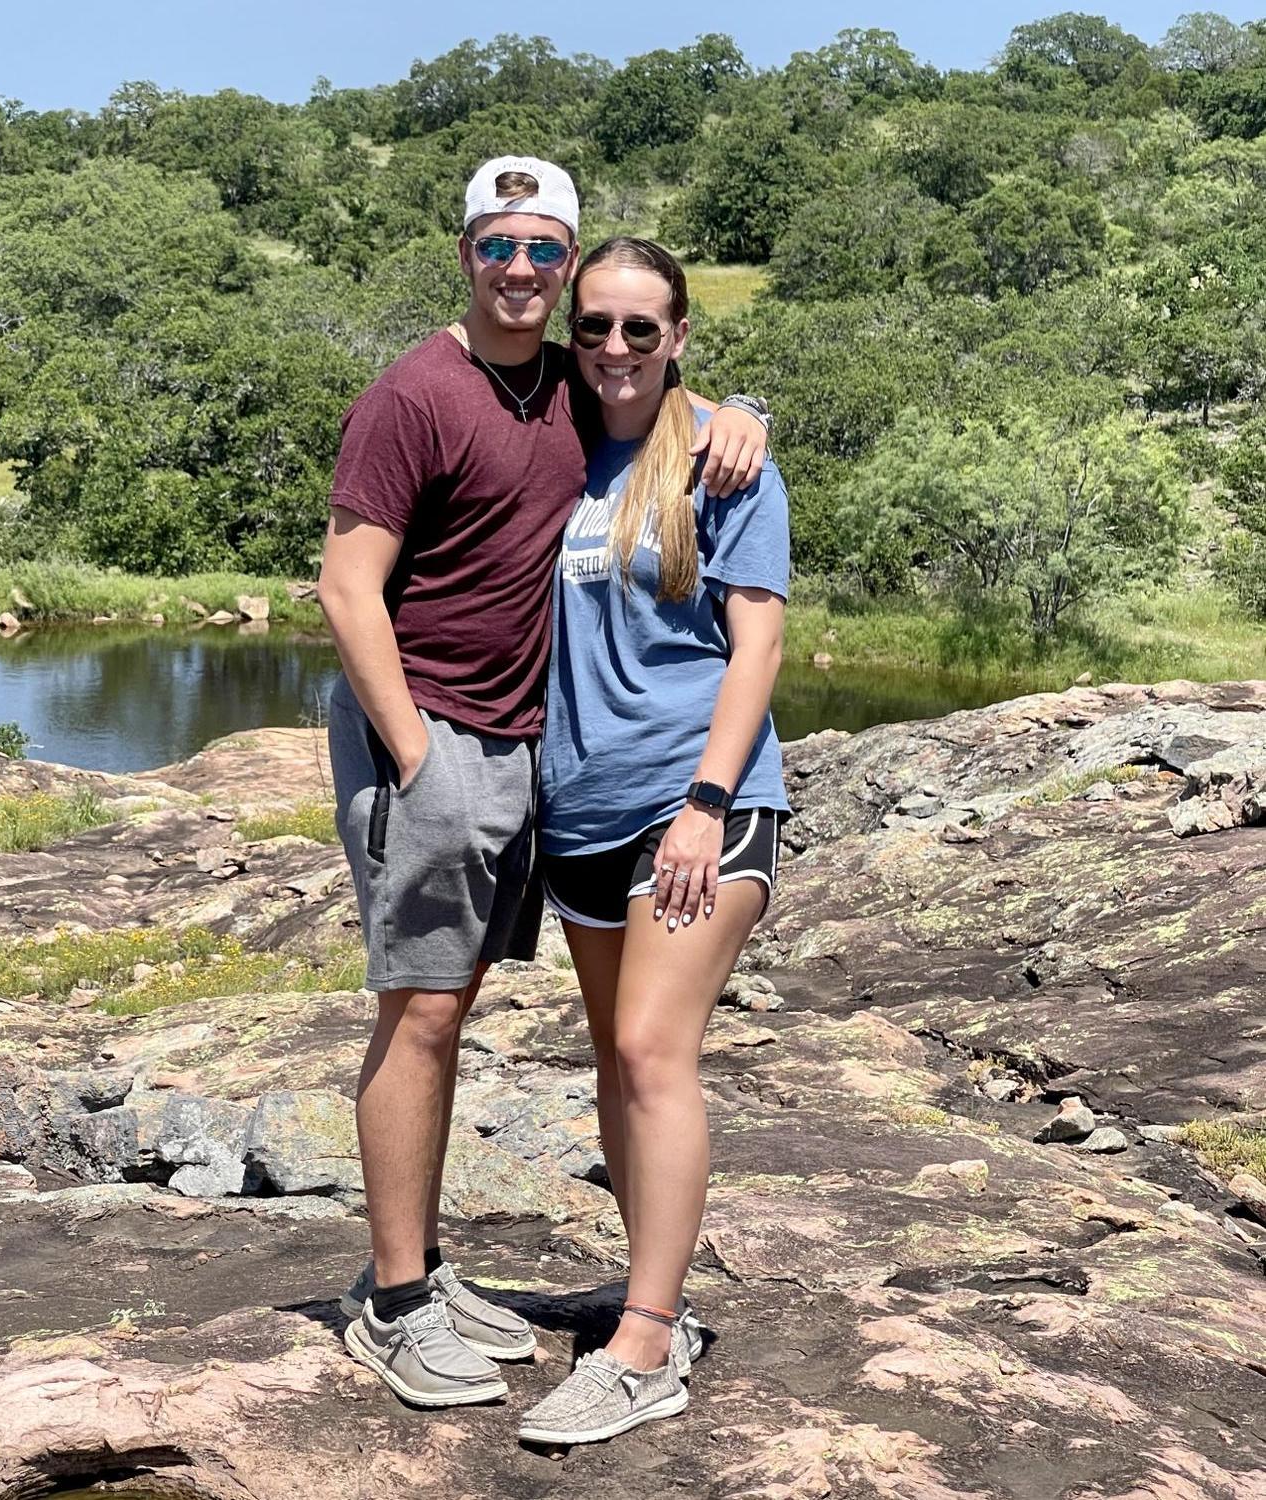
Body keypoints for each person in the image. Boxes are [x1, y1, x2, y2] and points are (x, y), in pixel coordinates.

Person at [317, 157, 772, 1410]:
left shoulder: (573, 383)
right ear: (463, 252)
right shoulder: (415, 395)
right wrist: (412, 754)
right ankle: (398, 1299)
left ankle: (440, 1276)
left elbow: (665, 387)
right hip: (438, 734)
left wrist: (749, 411)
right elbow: (348, 587)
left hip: (532, 754)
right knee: (419, 1012)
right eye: (495, 246)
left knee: (465, 1013)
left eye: (541, 251)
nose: (519, 270)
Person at [516, 237, 789, 1446]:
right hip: (574, 813)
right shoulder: (559, 448)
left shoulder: (722, 465)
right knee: (611, 1066)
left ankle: (648, 1337)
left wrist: (708, 799)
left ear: (680, 335)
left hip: (692, 805)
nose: (616, 349)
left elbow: (761, 642)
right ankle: (648, 1292)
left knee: (650, 1050)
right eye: (597, 328)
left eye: (642, 328)